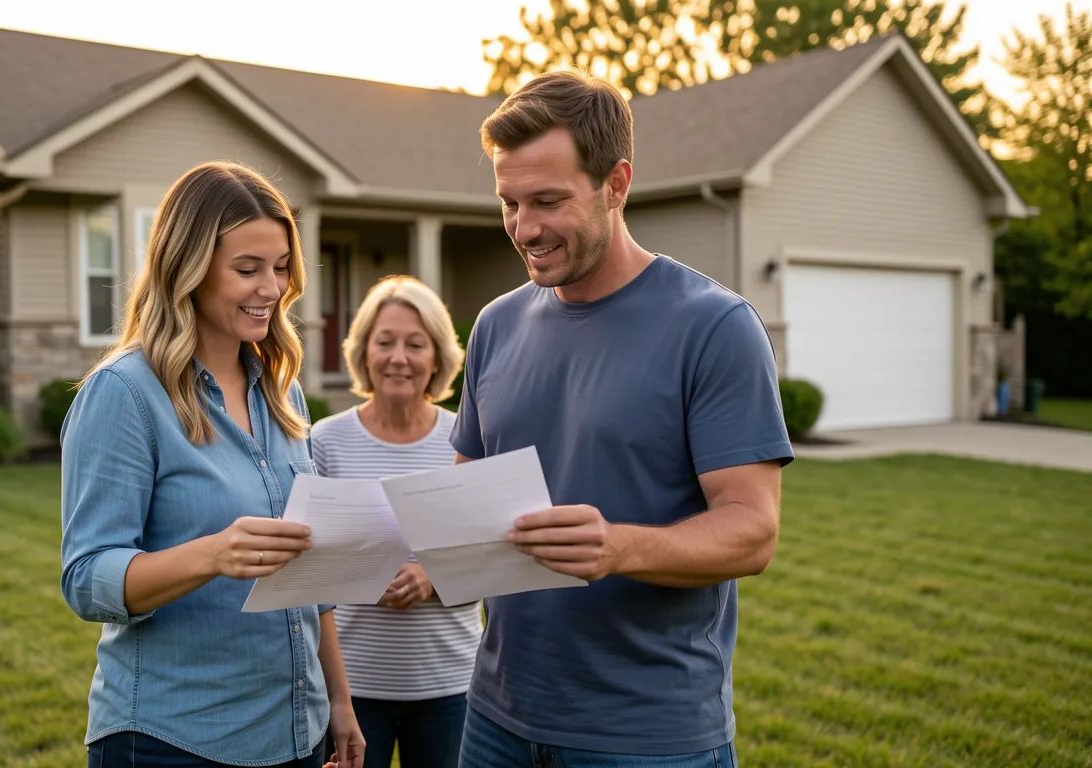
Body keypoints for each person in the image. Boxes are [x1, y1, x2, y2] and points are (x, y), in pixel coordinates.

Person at [451, 71, 795, 767]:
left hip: (647, 734)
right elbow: (465, 496)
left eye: (548, 201)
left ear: (616, 183)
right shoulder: (495, 324)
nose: (524, 228)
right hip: (494, 718)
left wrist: (618, 549)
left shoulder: (714, 327)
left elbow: (751, 532)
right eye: (510, 203)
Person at [59, 161, 364, 768]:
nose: (272, 288)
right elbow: (86, 576)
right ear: (188, 269)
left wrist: (339, 699)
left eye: (280, 268)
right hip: (176, 739)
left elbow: (311, 572)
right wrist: (212, 555)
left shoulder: (283, 393)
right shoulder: (125, 393)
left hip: (294, 733)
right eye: (247, 269)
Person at [310, 276, 477, 768]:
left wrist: (432, 577)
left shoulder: (467, 439)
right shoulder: (325, 442)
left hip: (453, 687)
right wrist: (363, 574)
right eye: (384, 342)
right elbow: (306, 566)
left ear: (438, 358)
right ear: (364, 353)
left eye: (415, 344)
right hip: (353, 689)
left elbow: (494, 556)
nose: (398, 357)